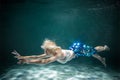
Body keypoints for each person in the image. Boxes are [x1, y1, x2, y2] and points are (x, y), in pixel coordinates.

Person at [12, 39, 110, 67]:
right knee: (91, 53)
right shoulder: (52, 52)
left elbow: (44, 62)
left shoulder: (57, 54)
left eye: (46, 50)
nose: (44, 52)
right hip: (73, 51)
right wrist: (22, 56)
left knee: (93, 50)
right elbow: (38, 56)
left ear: (51, 50)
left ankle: (104, 48)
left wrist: (26, 61)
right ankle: (102, 59)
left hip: (77, 50)